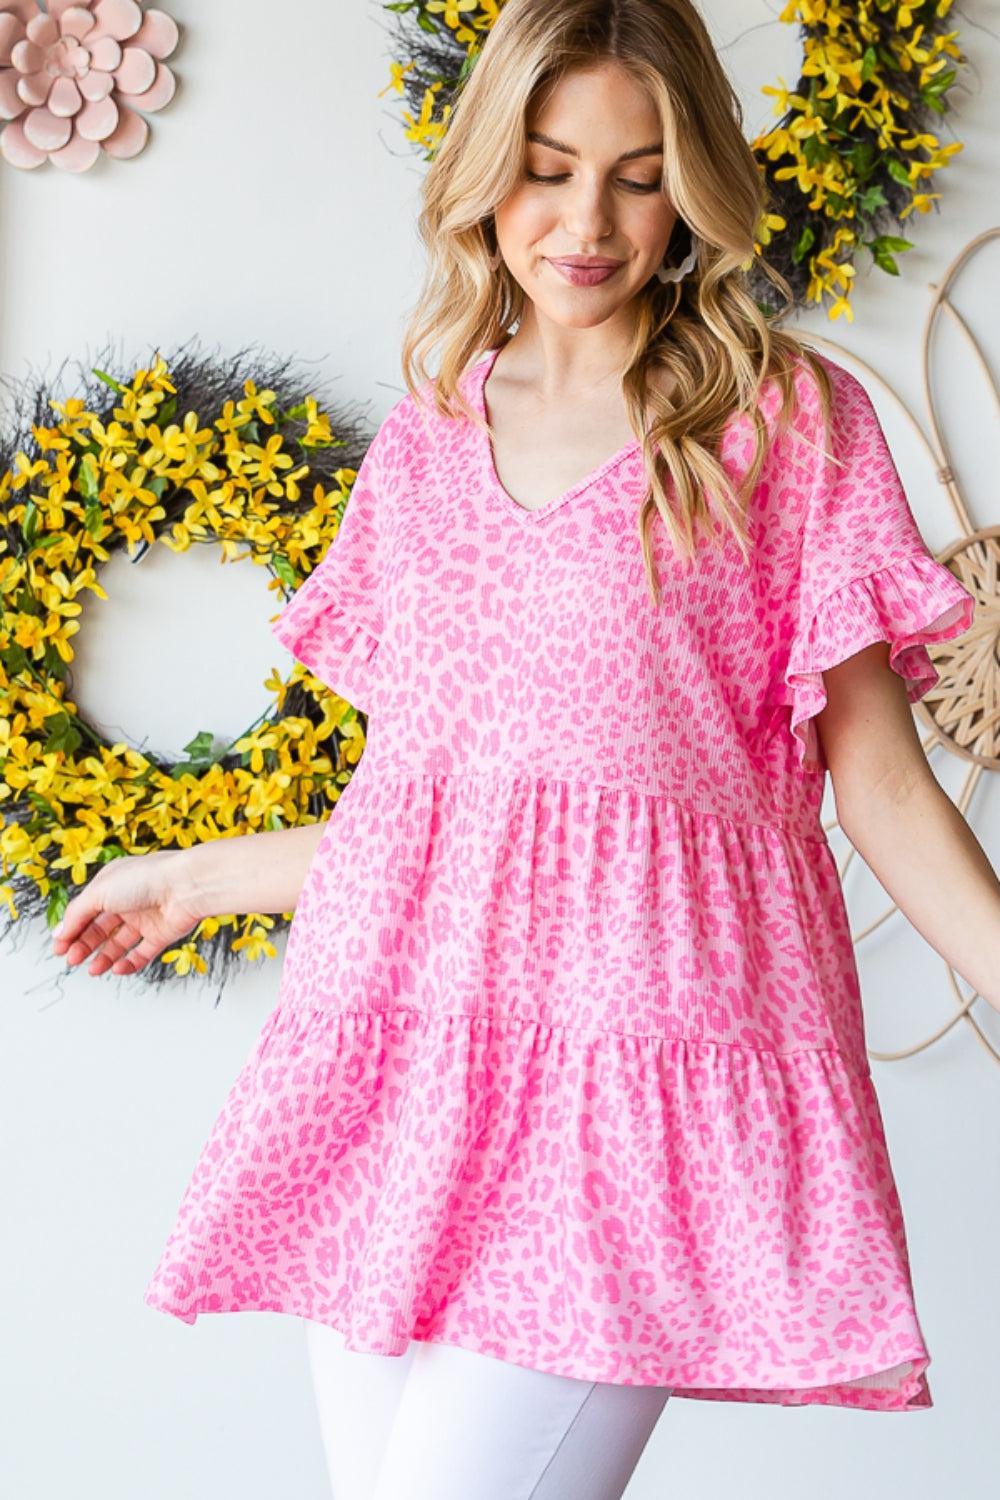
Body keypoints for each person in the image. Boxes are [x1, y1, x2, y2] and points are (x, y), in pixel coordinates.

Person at [52, 1, 999, 1495]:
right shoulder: (430, 434)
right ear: (488, 166)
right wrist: (194, 876)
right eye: (549, 167)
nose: (588, 222)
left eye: (638, 174)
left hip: (622, 1104)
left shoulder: (784, 425)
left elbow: (878, 786)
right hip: (410, 1080)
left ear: (694, 184)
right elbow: (446, 818)